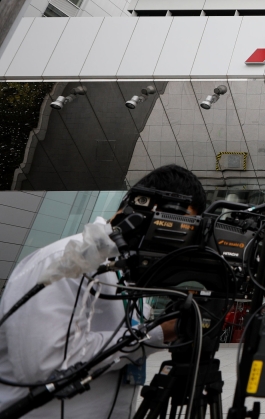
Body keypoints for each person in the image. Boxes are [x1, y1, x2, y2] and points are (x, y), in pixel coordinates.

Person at [0, 165, 207, 419]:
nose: (177, 240)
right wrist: (158, 333)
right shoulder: (63, 261)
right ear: (144, 205)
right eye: (179, 226)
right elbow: (47, 366)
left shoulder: (132, 273)